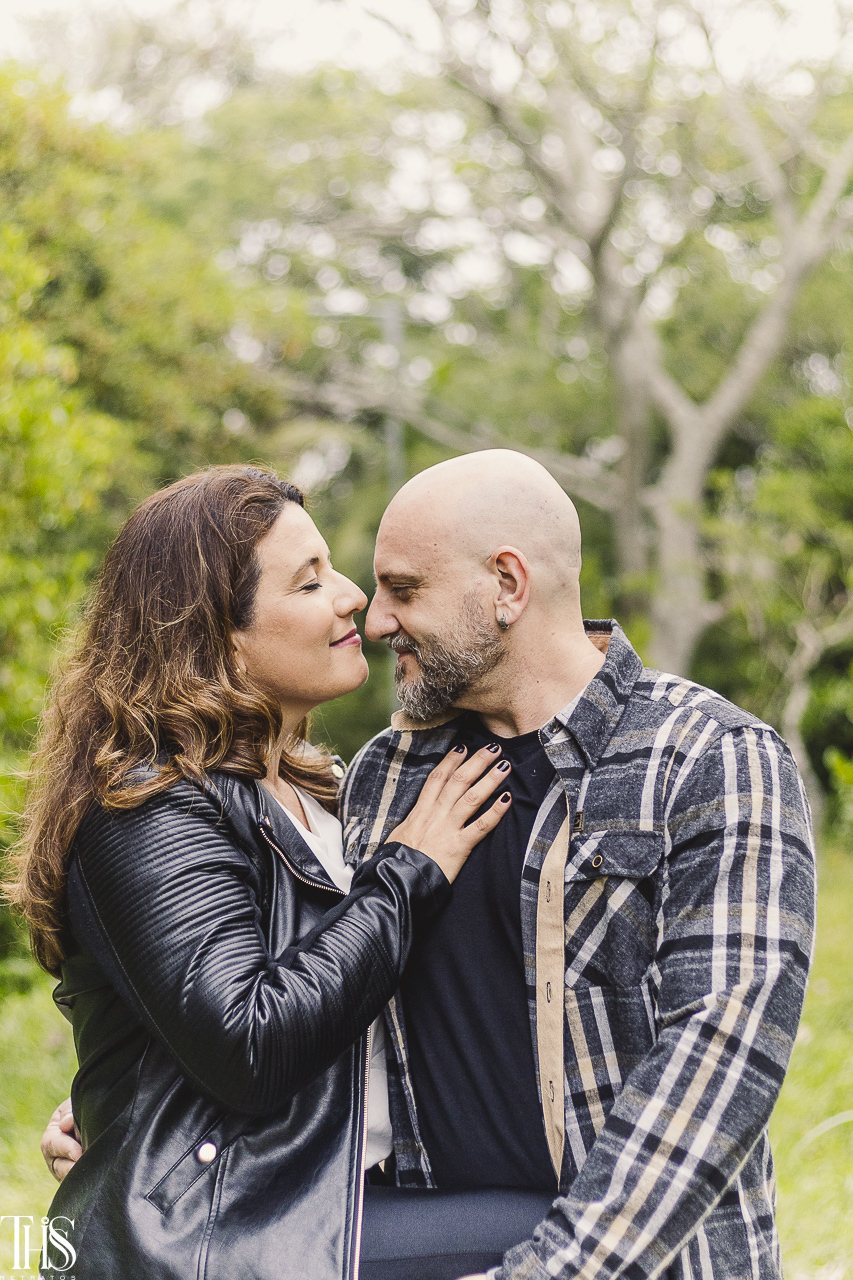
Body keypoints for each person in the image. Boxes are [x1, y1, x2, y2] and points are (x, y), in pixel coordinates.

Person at [43, 451, 816, 1280]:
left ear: (507, 587)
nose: (372, 618)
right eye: (336, 584)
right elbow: (316, 992)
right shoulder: (385, 778)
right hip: (417, 1236)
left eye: (402, 590)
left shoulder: (706, 760)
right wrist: (136, 1111)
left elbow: (718, 1064)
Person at [13, 464, 544, 1280]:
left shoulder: (314, 785)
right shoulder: (147, 807)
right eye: (309, 583)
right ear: (218, 636)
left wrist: (112, 1107)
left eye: (333, 569)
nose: (351, 598)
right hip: (220, 1232)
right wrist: (409, 871)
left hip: (309, 1194)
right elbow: (248, 1041)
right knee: (554, 1239)